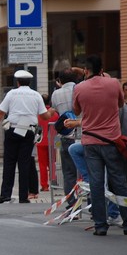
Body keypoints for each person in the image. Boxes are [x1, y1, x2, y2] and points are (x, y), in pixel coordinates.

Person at [73, 55, 127, 236]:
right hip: (112, 141)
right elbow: (120, 104)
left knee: (96, 184)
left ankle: (100, 225)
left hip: (90, 142)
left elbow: (77, 111)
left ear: (86, 71)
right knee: (120, 181)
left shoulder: (79, 88)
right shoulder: (113, 83)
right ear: (102, 69)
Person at [0, 70, 54, 204]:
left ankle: (5, 194)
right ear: (30, 82)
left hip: (13, 130)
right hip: (29, 132)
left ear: (17, 82)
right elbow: (44, 116)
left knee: (9, 163)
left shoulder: (11, 94)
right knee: (24, 164)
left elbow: (0, 113)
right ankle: (24, 196)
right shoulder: (36, 95)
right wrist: (51, 111)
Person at [50, 69, 79, 205]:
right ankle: (93, 206)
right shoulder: (80, 89)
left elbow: (55, 110)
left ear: (60, 81)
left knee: (68, 173)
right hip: (83, 134)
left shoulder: (56, 94)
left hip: (66, 136)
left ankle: (71, 204)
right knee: (89, 172)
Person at [36, 94, 58, 192]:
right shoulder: (55, 114)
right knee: (52, 162)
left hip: (41, 141)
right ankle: (53, 181)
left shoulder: (38, 114)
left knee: (42, 164)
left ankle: (44, 185)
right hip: (53, 141)